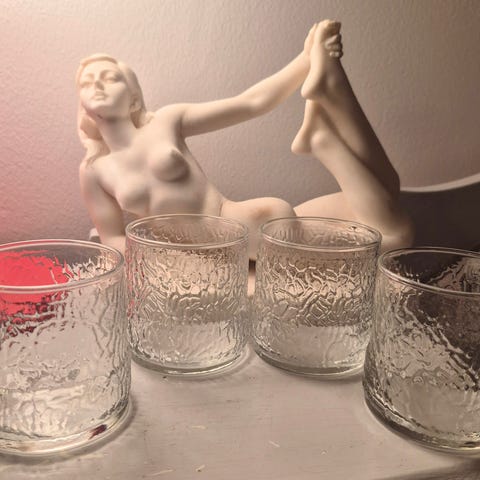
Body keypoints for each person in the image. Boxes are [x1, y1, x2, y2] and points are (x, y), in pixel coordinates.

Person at [77, 20, 413, 258]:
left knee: (394, 232)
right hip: (240, 246)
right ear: (82, 102)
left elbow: (251, 103)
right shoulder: (94, 170)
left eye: (110, 78)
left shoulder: (166, 121)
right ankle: (327, 131)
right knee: (392, 215)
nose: (98, 85)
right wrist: (165, 266)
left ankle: (325, 128)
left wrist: (307, 59)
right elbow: (113, 240)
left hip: (245, 228)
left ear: (134, 99)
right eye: (87, 82)